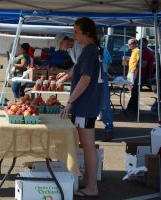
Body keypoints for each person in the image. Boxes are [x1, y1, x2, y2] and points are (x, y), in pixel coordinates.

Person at [59, 17, 103, 197]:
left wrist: (70, 103)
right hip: (88, 104)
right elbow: (80, 72)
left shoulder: (88, 51)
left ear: (87, 33)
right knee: (86, 146)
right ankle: (89, 181)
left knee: (88, 146)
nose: (73, 35)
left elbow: (85, 79)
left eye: (76, 32)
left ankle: (92, 186)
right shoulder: (92, 50)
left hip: (85, 106)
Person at [126, 38, 154, 112]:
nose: (140, 44)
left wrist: (137, 64)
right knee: (134, 91)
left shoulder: (146, 52)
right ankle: (130, 108)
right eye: (140, 43)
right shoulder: (143, 52)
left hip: (143, 75)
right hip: (140, 74)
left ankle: (132, 108)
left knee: (135, 91)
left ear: (146, 43)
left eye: (142, 43)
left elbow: (143, 65)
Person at [100, 47, 114, 141]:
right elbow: (109, 62)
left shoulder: (102, 49)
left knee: (104, 103)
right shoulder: (104, 49)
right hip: (102, 74)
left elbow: (108, 62)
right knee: (104, 103)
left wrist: (104, 71)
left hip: (101, 75)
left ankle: (109, 130)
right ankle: (109, 129)